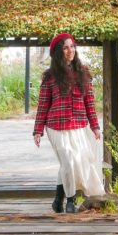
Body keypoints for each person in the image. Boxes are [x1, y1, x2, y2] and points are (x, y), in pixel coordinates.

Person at [32, 32, 104, 213]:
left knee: (70, 161)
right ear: (58, 52)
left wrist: (95, 126)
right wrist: (37, 130)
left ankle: (58, 199)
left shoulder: (84, 73)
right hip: (55, 126)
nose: (70, 50)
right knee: (68, 161)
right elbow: (43, 104)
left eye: (72, 46)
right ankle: (70, 200)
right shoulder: (50, 76)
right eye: (65, 47)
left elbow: (90, 103)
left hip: (78, 125)